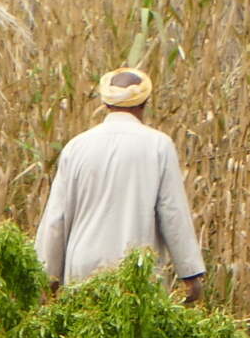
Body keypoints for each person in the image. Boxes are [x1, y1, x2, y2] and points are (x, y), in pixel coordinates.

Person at [35, 67, 207, 304]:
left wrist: (47, 278)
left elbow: (56, 219)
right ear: (144, 103)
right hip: (135, 270)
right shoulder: (158, 146)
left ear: (106, 103)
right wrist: (190, 274)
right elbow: (172, 212)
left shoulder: (76, 147)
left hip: (81, 269)